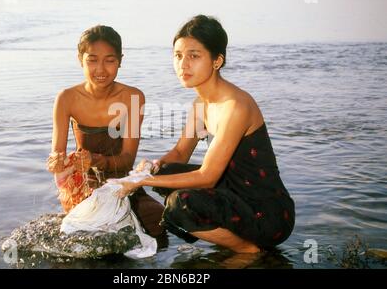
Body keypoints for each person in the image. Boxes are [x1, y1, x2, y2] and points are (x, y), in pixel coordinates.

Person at [118, 15, 295, 254]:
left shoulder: (236, 106)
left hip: (266, 213)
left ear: (217, 60)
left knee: (179, 203)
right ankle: (226, 237)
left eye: (194, 55)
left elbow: (208, 176)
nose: (183, 65)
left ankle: (247, 251)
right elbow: (181, 152)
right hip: (233, 194)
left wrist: (142, 182)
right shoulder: (201, 103)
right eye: (178, 55)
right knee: (165, 171)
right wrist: (151, 168)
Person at [47, 25, 166, 241]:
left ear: (120, 60)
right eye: (92, 60)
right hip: (85, 185)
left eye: (109, 60)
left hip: (123, 184)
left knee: (158, 220)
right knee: (94, 228)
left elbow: (127, 159)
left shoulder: (133, 97)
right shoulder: (67, 98)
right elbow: (58, 154)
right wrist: (56, 162)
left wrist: (98, 160)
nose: (100, 69)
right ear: (80, 59)